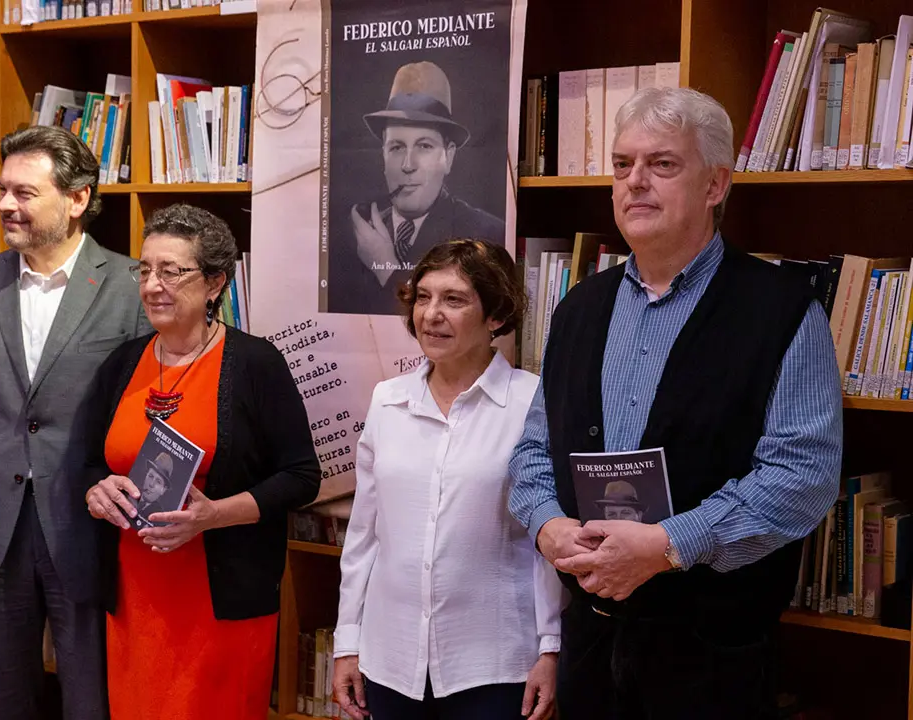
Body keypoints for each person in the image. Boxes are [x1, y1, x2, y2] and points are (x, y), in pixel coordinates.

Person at [507, 86, 843, 720]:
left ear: (715, 184)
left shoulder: (781, 309)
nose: (635, 182)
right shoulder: (578, 306)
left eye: (662, 164)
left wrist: (666, 545)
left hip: (710, 652)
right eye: (622, 165)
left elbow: (802, 476)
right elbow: (532, 449)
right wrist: (548, 525)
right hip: (591, 640)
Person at [0, 124, 147, 720]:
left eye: (24, 193)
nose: (4, 205)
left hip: (92, 534)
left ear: (76, 200)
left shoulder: (131, 288)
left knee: (93, 703)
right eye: (2, 190)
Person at [83, 203, 321, 720]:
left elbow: (302, 478)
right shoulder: (122, 363)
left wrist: (213, 515)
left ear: (215, 283)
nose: (152, 285)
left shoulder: (256, 363)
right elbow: (85, 462)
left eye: (171, 271)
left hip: (221, 601)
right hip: (135, 599)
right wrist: (96, 490)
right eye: (144, 270)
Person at [332, 240, 561, 720]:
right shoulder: (386, 400)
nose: (431, 314)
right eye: (422, 297)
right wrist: (347, 642)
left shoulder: (533, 402)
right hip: (390, 660)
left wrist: (551, 648)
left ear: (496, 315)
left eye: (454, 300)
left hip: (495, 664)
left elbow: (547, 542)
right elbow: (364, 538)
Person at [329, 60, 505, 315]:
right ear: (383, 156)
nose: (408, 165)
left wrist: (386, 267)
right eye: (397, 147)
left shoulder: (486, 235)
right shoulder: (347, 239)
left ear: (449, 157)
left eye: (424, 146)